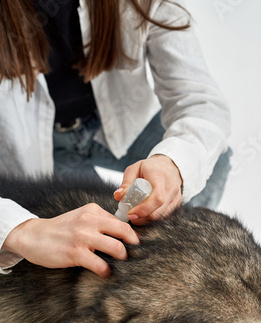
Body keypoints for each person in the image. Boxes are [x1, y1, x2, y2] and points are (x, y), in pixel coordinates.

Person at [0, 0, 231, 278]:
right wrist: (21, 230)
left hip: (123, 121)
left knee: (209, 160)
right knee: (86, 240)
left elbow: (199, 101)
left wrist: (172, 163)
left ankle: (159, 235)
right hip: (39, 147)